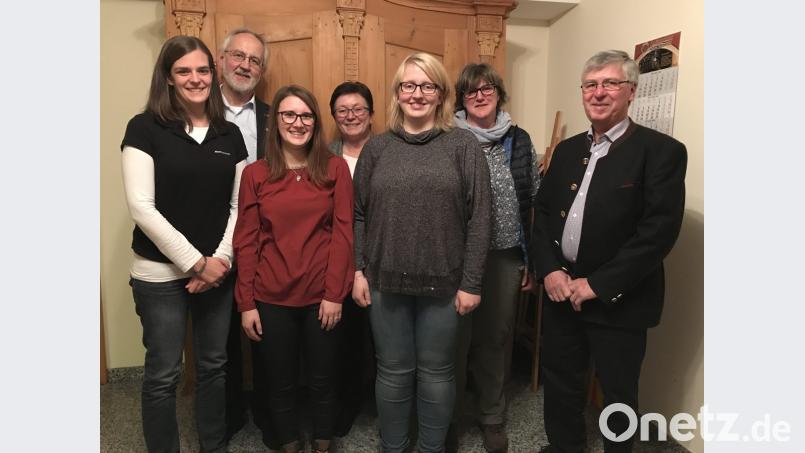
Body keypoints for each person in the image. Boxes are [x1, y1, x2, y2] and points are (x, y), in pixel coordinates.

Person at [531, 50, 687, 453]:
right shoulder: (566, 151)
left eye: (610, 84)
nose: (599, 93)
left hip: (620, 299)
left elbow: (658, 233)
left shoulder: (662, 152)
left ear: (631, 91)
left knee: (618, 394)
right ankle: (565, 447)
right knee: (561, 381)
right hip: (561, 292)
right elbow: (544, 212)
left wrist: (597, 285)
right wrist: (550, 271)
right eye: (591, 85)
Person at [352, 52, 492, 453]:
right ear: (397, 93)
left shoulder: (463, 146)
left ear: (441, 94)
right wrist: (358, 270)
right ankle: (393, 447)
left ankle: (432, 448)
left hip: (445, 286)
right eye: (408, 85)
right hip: (384, 282)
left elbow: (480, 218)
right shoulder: (377, 148)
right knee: (393, 373)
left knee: (436, 374)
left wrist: (471, 282)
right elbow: (358, 214)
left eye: (427, 85)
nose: (417, 94)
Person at [120, 35, 247, 453]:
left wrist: (221, 261)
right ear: (169, 79)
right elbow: (142, 207)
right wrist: (196, 263)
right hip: (159, 274)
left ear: (214, 73)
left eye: (203, 70)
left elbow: (238, 205)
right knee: (163, 374)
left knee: (213, 367)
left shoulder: (230, 135)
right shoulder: (144, 128)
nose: (196, 79)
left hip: (217, 271)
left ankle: (214, 445)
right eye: (184, 71)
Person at [233, 85, 354, 453]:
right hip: (270, 297)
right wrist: (246, 303)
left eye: (305, 116)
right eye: (289, 115)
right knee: (279, 381)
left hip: (322, 296)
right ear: (276, 122)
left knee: (322, 379)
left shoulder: (334, 169)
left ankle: (322, 443)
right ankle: (288, 444)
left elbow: (344, 234)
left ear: (316, 123)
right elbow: (247, 240)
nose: (297, 123)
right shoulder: (256, 174)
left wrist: (335, 294)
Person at [449, 62, 541, 453]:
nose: (480, 96)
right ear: (462, 98)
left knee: (495, 339)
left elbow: (534, 202)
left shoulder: (519, 141)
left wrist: (531, 262)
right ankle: (447, 418)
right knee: (452, 340)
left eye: (488, 89)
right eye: (472, 91)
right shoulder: (447, 138)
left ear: (499, 95)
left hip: (504, 257)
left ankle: (491, 416)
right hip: (453, 257)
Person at [217, 26, 274, 444]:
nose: (245, 65)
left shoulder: (275, 116)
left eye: (254, 60)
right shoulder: (197, 111)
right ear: (222, 60)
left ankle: (272, 415)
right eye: (238, 56)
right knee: (219, 338)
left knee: (265, 332)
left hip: (266, 243)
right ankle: (228, 415)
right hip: (213, 241)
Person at [327, 81, 376, 436]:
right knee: (342, 341)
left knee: (381, 341)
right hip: (337, 260)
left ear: (371, 114)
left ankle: (380, 405)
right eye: (342, 111)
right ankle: (346, 404)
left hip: (381, 258)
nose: (351, 116)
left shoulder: (390, 150)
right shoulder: (325, 154)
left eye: (358, 109)